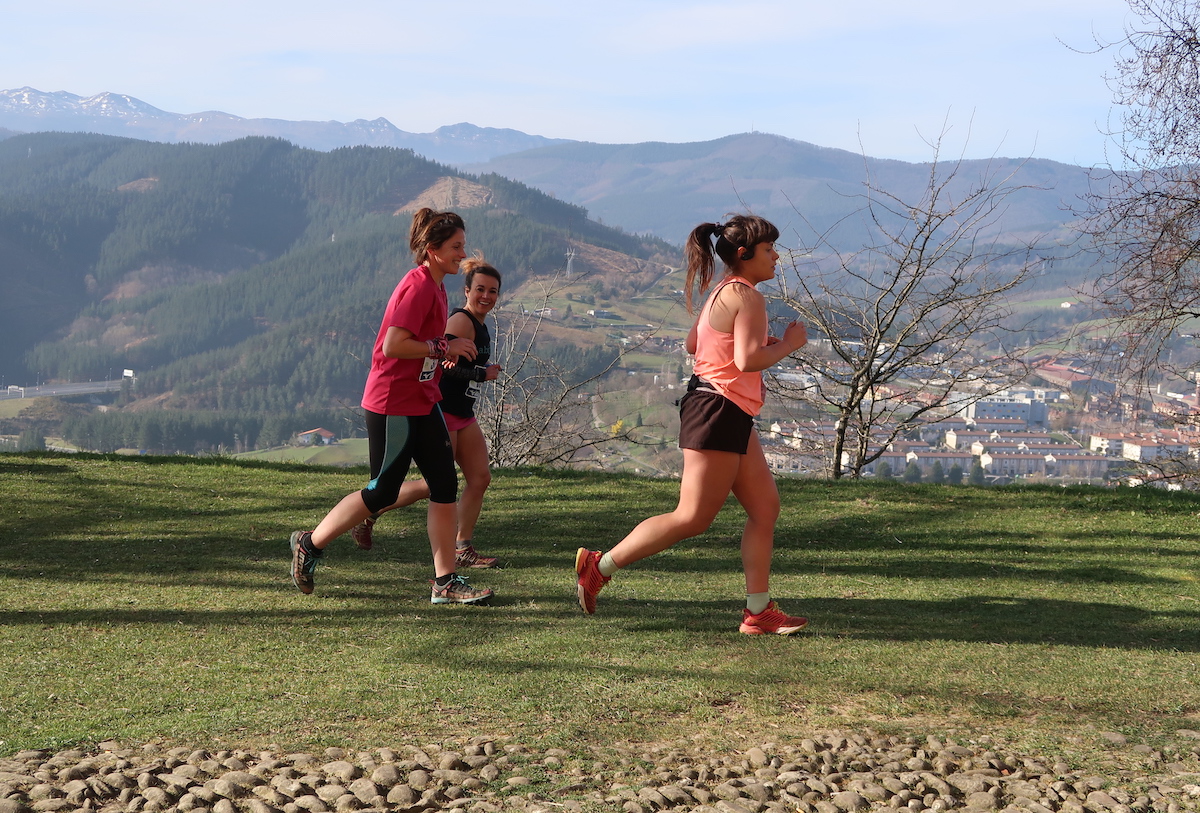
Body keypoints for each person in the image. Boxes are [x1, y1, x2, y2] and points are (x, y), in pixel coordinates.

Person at [574, 214, 809, 634]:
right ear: (744, 254)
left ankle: (758, 612)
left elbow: (694, 343)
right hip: (719, 410)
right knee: (692, 517)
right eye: (770, 249)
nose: (776, 257)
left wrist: (755, 342)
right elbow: (746, 361)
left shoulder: (723, 290)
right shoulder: (748, 297)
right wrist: (788, 344)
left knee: (764, 508)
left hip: (725, 409)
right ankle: (599, 566)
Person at [289, 208, 494, 605]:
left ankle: (445, 582)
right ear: (432, 249)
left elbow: (424, 346)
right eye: (456, 247)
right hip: (393, 403)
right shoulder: (417, 287)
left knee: (444, 485)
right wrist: (444, 346)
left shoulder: (437, 286)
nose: (462, 254)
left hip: (423, 399)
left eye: (462, 246)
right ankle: (309, 544)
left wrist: (444, 352)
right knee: (382, 491)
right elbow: (393, 345)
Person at [350, 257, 504, 569]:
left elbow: (460, 360)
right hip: (443, 409)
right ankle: (371, 509)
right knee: (435, 484)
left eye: (492, 291)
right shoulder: (461, 322)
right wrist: (480, 374)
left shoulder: (479, 323)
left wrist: (480, 369)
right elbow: (444, 365)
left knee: (479, 477)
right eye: (480, 289)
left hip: (463, 412)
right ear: (467, 291)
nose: (486, 296)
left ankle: (463, 546)